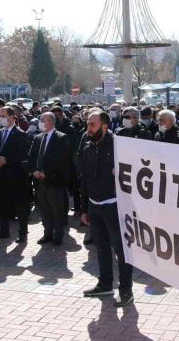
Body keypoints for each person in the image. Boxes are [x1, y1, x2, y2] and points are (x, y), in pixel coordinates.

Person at [79, 111, 133, 307]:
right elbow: (84, 179)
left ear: (104, 126)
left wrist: (121, 175)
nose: (88, 128)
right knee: (101, 247)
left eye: (92, 124)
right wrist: (84, 209)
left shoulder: (118, 146)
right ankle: (105, 284)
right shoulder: (86, 146)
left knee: (121, 250)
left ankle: (126, 290)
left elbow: (134, 176)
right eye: (87, 124)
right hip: (94, 206)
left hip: (115, 206)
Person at [28, 112, 72, 245]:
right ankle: (47, 233)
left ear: (51, 122)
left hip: (54, 180)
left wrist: (47, 172)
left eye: (43, 120)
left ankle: (58, 235)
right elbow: (31, 156)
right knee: (44, 209)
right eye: (40, 119)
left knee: (56, 209)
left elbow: (62, 160)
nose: (40, 122)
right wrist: (34, 170)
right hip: (39, 181)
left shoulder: (61, 138)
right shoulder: (37, 138)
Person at [0, 106, 30, 243]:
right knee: (2, 204)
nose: (1, 118)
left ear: (13, 117)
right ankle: (3, 231)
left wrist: (7, 160)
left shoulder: (20, 134)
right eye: (0, 115)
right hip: (1, 175)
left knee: (20, 205)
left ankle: (22, 233)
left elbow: (24, 155)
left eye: (4, 115)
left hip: (16, 175)